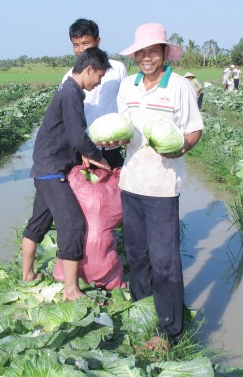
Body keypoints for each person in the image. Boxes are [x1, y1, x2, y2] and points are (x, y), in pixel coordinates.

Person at [117, 23, 204, 350]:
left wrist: (180, 147)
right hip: (131, 183)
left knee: (165, 261)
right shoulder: (128, 86)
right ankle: (144, 317)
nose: (146, 57)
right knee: (137, 257)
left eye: (153, 50)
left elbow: (194, 130)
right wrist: (113, 141)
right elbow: (123, 129)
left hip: (162, 188)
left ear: (165, 53)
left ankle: (169, 331)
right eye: (141, 52)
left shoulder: (179, 87)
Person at [22, 47, 112, 301]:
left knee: (38, 222)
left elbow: (70, 134)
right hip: (52, 167)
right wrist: (97, 156)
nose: (99, 82)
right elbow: (77, 135)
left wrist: (82, 152)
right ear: (89, 69)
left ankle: (27, 274)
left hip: (45, 164)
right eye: (100, 76)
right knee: (73, 223)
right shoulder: (72, 93)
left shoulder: (67, 89)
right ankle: (71, 290)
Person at [62, 18, 128, 169]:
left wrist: (127, 138)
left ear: (98, 42)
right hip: (86, 149)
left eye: (86, 43)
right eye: (76, 45)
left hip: (114, 144)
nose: (81, 50)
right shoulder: (69, 77)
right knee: (88, 190)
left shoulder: (117, 69)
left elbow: (127, 103)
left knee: (115, 187)